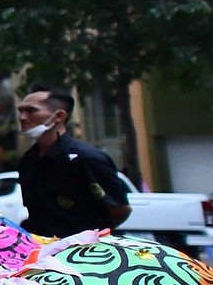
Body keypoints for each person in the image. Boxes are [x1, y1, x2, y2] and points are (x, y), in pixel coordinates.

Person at [15, 87, 132, 238]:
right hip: (43, 252)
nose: (23, 117)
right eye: (21, 111)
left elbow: (120, 209)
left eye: (31, 111)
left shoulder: (86, 158)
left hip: (85, 253)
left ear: (59, 116)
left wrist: (89, 237)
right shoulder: (28, 161)